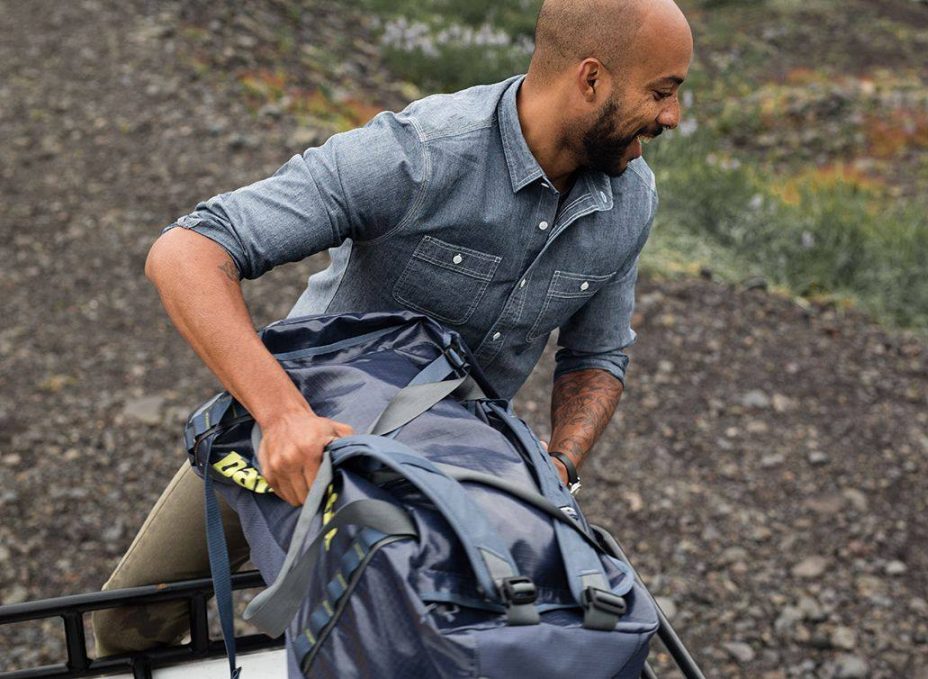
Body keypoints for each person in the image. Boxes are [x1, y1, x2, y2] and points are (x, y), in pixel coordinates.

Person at [91, 0, 693, 656]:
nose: (672, 116)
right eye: (661, 92)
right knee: (125, 628)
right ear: (590, 78)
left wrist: (556, 467)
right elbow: (186, 252)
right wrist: (284, 419)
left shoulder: (631, 199)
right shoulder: (422, 152)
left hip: (456, 480)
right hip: (298, 440)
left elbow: (597, 355)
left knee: (438, 649)